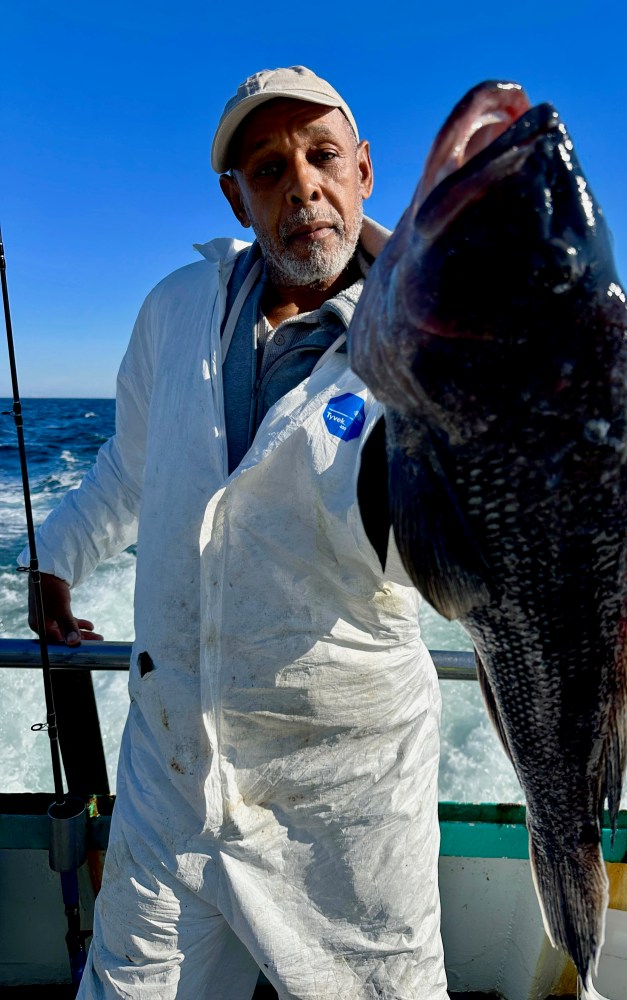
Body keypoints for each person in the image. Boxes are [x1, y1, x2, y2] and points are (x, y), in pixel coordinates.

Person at [23, 66, 449, 1000]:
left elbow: (455, 556)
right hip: (170, 778)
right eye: (268, 168)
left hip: (347, 796)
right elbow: (129, 468)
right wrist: (56, 559)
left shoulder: (436, 342)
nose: (302, 185)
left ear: (366, 171)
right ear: (236, 195)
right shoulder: (174, 310)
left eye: (323, 155)